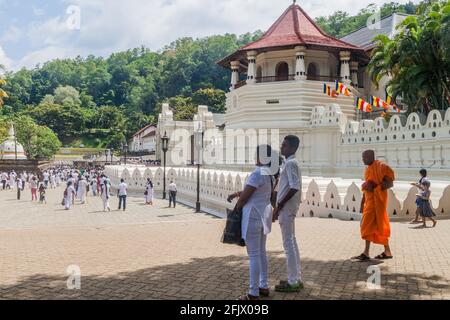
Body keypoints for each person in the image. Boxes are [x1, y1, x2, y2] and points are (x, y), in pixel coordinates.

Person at [227, 145, 275, 300]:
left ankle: (253, 293)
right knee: (261, 252)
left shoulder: (257, 173)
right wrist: (237, 194)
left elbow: (245, 197)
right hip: (264, 216)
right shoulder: (270, 174)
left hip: (253, 216)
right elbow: (255, 191)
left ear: (261, 157)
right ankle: (264, 285)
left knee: (254, 255)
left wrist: (237, 208)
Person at [272, 135, 303, 292]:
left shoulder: (290, 163)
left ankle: (293, 281)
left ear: (292, 148)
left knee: (288, 244)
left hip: (287, 208)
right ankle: (296, 277)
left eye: (284, 145)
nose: (282, 147)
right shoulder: (290, 163)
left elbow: (294, 186)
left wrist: (280, 205)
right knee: (292, 241)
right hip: (289, 207)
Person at [352, 150, 395, 261]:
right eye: (362, 157)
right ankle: (387, 251)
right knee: (372, 226)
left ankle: (366, 253)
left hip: (378, 202)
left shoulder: (381, 167)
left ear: (371, 156)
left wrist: (376, 187)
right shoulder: (368, 170)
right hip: (370, 203)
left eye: (364, 157)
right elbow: (366, 188)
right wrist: (362, 202)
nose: (363, 160)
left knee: (376, 225)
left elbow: (390, 183)